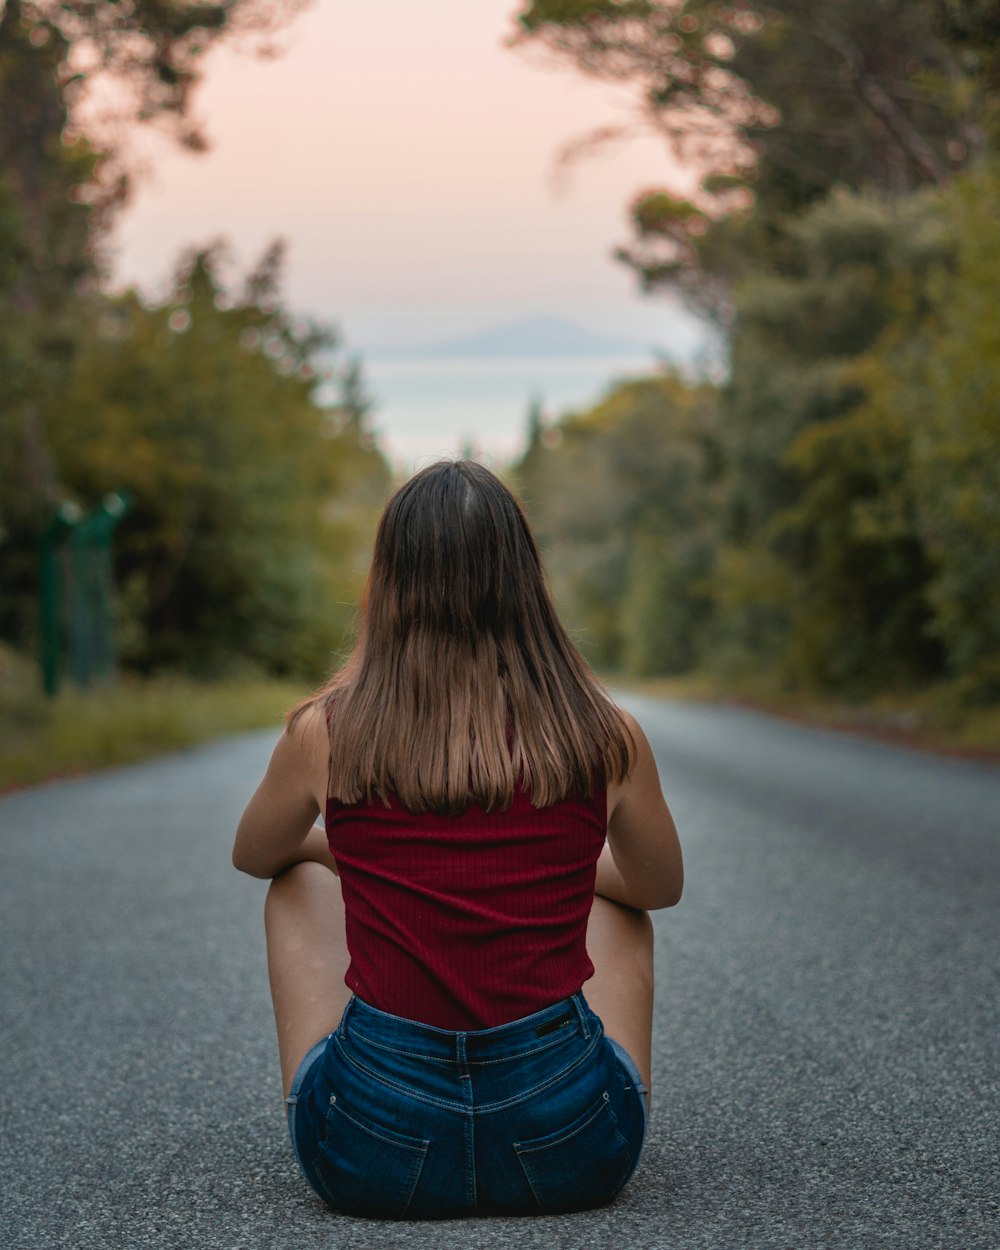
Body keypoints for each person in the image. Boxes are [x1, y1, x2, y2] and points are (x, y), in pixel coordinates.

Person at [232, 459, 682, 1219]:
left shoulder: (327, 731)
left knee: (295, 883)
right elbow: (658, 887)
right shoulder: (605, 734)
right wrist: (558, 865)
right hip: (570, 1150)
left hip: (371, 1155)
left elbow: (254, 855)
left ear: (389, 583)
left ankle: (344, 1097)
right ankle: (573, 1091)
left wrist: (337, 851)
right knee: (622, 907)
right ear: (525, 582)